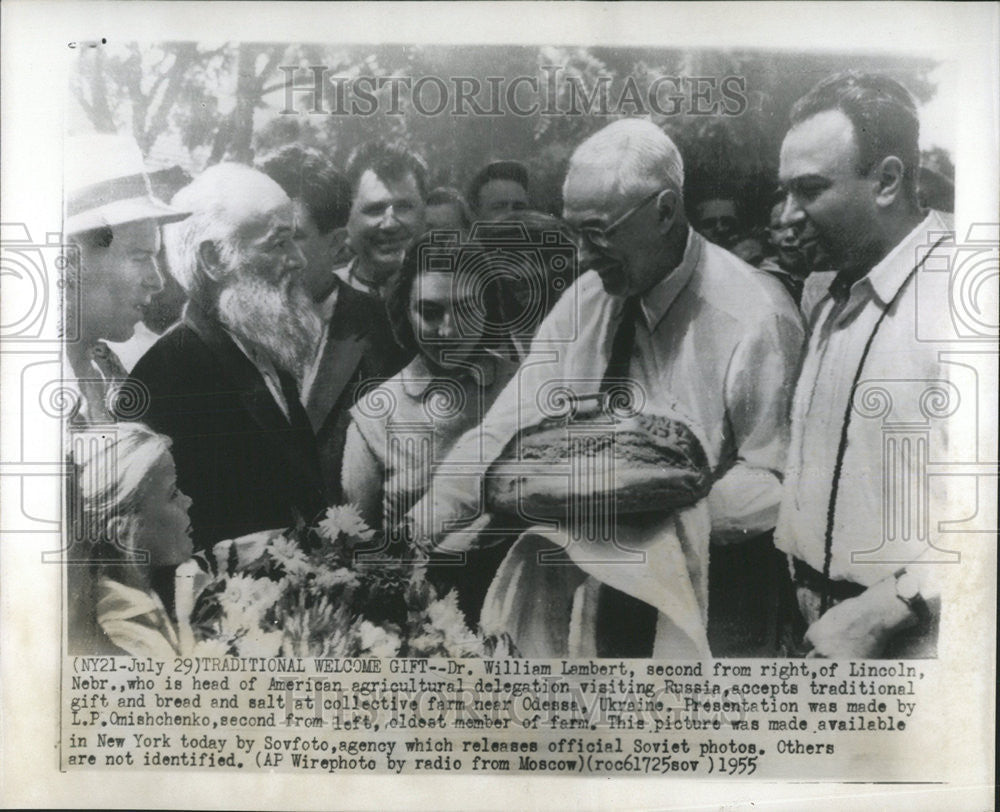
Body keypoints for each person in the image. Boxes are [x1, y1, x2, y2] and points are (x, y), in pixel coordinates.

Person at [410, 119, 805, 656]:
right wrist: (418, 527)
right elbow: (507, 430)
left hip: (707, 610)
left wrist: (642, 515)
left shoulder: (754, 315)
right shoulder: (587, 300)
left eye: (598, 232)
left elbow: (778, 480)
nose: (581, 255)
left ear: (665, 211)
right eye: (573, 231)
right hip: (580, 603)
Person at [774, 71, 957, 658]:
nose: (787, 216)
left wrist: (890, 609)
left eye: (809, 190)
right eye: (785, 192)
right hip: (810, 630)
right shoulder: (828, 293)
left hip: (910, 641)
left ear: (885, 181)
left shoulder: (963, 297)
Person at [128, 164, 325, 554]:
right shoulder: (167, 376)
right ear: (215, 258)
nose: (299, 259)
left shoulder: (262, 344)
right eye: (278, 243)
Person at [258, 146, 409, 501]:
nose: (269, 253)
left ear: (338, 243)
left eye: (290, 237)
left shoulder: (388, 335)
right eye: (260, 237)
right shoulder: (223, 332)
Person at [342, 234, 518, 532]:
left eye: (466, 309)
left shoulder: (523, 387)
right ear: (405, 312)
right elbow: (358, 544)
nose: (448, 331)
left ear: (488, 307)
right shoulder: (375, 417)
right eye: (430, 313)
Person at [63, 134, 188, 424]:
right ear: (71, 257)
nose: (157, 281)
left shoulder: (141, 365)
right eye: (140, 257)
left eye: (156, 257)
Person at [67, 423, 196, 657]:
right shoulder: (125, 638)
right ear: (123, 532)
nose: (187, 501)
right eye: (173, 493)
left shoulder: (146, 605)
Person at [336, 141, 428, 298]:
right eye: (375, 210)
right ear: (347, 217)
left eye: (403, 207)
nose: (390, 225)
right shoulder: (321, 296)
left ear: (424, 212)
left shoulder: (462, 290)